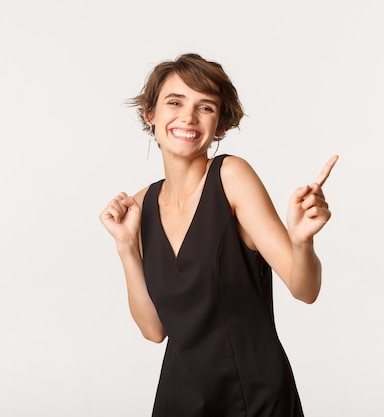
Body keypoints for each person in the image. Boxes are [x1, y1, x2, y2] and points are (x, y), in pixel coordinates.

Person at [100, 53, 338, 417]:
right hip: (179, 401)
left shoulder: (231, 178)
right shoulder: (139, 205)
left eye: (205, 107)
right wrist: (126, 247)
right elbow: (154, 330)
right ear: (150, 113)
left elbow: (305, 290)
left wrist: (301, 241)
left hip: (254, 398)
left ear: (221, 125)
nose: (188, 117)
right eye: (175, 102)